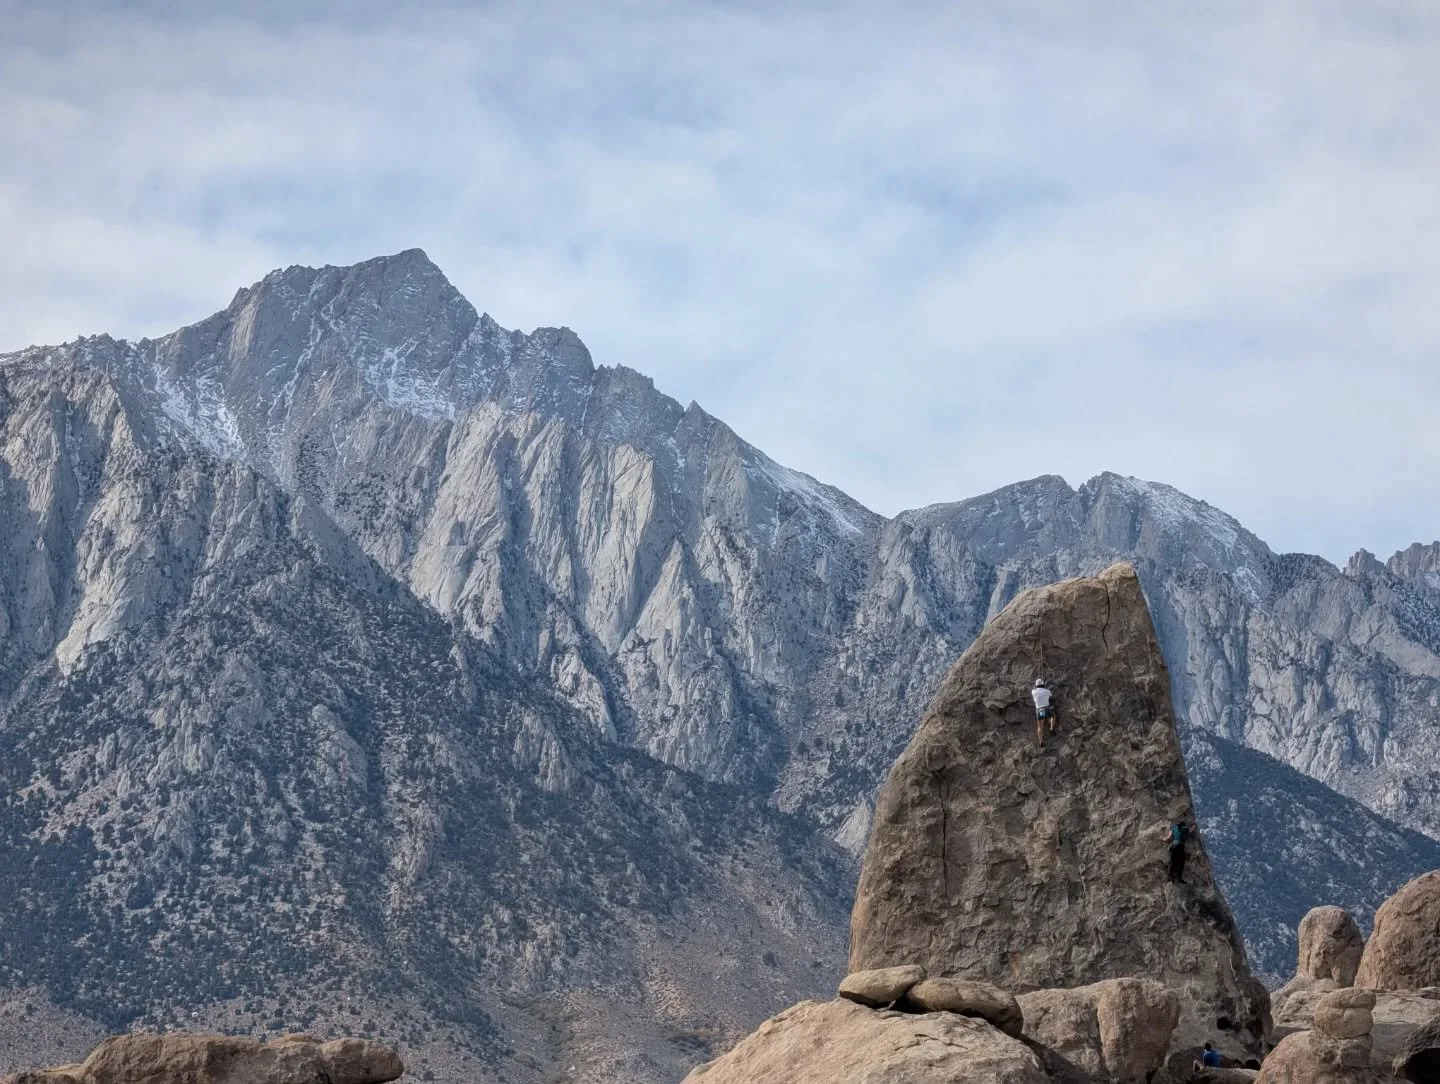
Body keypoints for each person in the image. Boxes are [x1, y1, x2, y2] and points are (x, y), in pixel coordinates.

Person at [1031, 679, 1057, 747]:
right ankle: (1051, 728)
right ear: (1043, 684)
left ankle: (1041, 742)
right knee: (1053, 716)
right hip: (1046, 708)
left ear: (1036, 685)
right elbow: (1050, 695)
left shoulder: (1033, 691)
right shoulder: (1047, 691)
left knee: (1040, 726)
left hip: (1039, 710)